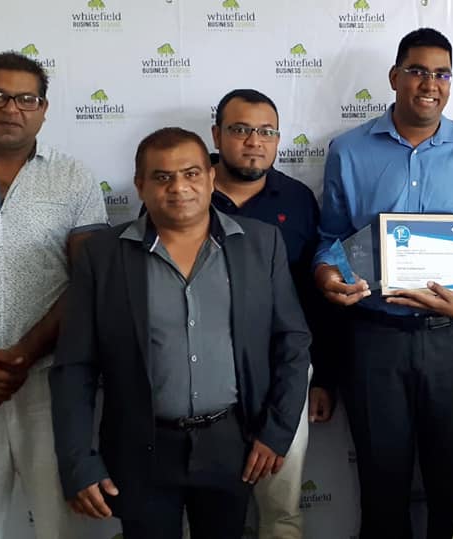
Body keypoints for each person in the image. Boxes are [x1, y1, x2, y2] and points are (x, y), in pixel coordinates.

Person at [49, 127, 311, 539]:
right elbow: (74, 366)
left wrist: (276, 434)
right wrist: (77, 460)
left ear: (211, 177)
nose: (179, 188)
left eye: (191, 174)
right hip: (140, 447)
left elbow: (292, 342)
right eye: (162, 177)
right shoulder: (103, 255)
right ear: (140, 185)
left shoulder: (261, 244)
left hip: (232, 444)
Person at [313, 28, 453, 539]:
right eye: (418, 71)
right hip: (375, 340)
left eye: (442, 74)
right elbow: (332, 238)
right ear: (395, 77)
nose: (430, 83)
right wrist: (326, 272)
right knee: (382, 488)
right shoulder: (349, 150)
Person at [0, 51, 108, 538]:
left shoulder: (74, 177)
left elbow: (87, 282)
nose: (11, 108)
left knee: (61, 523)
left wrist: (21, 358)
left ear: (43, 109)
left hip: (48, 380)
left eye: (26, 99)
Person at [209, 88, 337, 539]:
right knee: (203, 512)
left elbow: (314, 296)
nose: (254, 142)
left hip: (283, 372)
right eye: (241, 130)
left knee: (281, 510)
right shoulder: (186, 191)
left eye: (266, 132)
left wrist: (322, 378)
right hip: (202, 375)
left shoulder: (297, 199)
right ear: (217, 135)